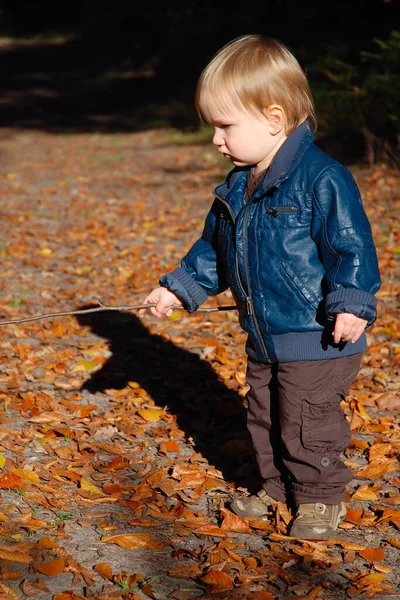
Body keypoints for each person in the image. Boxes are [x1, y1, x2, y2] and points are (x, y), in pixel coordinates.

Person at [139, 35, 381, 540]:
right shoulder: (236, 186)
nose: (216, 140)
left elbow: (350, 246)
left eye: (225, 126)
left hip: (318, 335)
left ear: (273, 120)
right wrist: (180, 287)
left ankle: (319, 497)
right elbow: (213, 250)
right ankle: (276, 488)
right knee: (265, 414)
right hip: (265, 332)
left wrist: (351, 301)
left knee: (306, 420)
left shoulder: (322, 179)